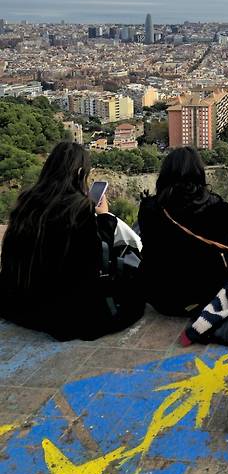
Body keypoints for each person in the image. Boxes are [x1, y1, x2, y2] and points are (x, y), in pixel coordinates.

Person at [0, 141, 144, 341]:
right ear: (79, 174)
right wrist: (103, 216)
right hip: (61, 312)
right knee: (134, 300)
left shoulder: (27, 200)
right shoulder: (77, 209)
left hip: (21, 301)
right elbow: (94, 260)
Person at [138, 146, 228, 316]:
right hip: (207, 297)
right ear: (198, 174)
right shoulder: (214, 208)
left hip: (162, 299)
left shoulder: (149, 209)